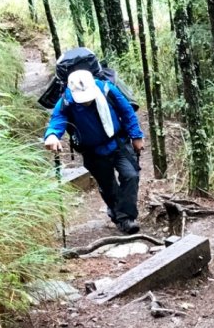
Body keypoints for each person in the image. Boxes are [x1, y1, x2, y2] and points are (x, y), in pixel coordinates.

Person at [44, 69, 145, 235]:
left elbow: (127, 112)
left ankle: (125, 217)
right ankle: (119, 215)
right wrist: (52, 135)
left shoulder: (107, 89)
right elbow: (57, 119)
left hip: (118, 143)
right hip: (93, 151)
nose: (86, 102)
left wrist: (136, 136)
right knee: (108, 186)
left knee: (131, 175)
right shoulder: (67, 101)